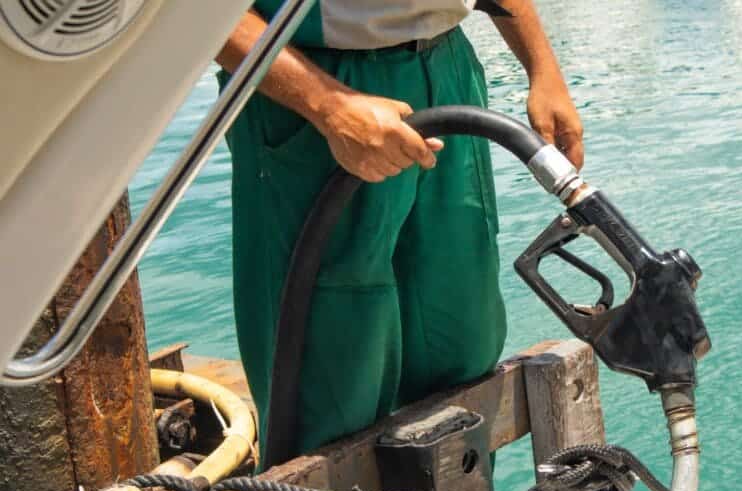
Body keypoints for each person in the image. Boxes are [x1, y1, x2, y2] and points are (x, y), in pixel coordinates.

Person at [215, 1, 584, 465]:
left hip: (447, 67)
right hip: (313, 84)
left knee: (462, 349)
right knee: (326, 385)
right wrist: (328, 106)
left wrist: (542, 66)